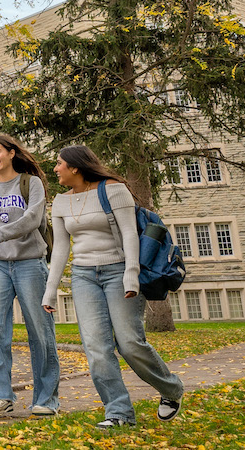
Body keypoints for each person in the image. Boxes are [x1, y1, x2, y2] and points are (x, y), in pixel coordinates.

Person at [43, 145, 185, 429]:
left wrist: (131, 274)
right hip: (84, 276)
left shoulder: (113, 190)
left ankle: (171, 389)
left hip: (119, 271)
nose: (55, 169)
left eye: (59, 164)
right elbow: (60, 248)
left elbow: (131, 234)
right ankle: (118, 412)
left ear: (75, 167)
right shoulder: (60, 202)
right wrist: (50, 290)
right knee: (96, 348)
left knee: (130, 343)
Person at [0, 135, 62, 418]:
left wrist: (0, 235)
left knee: (40, 331)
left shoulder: (30, 183)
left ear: (11, 153)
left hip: (30, 264)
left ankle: (46, 399)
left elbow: (34, 218)